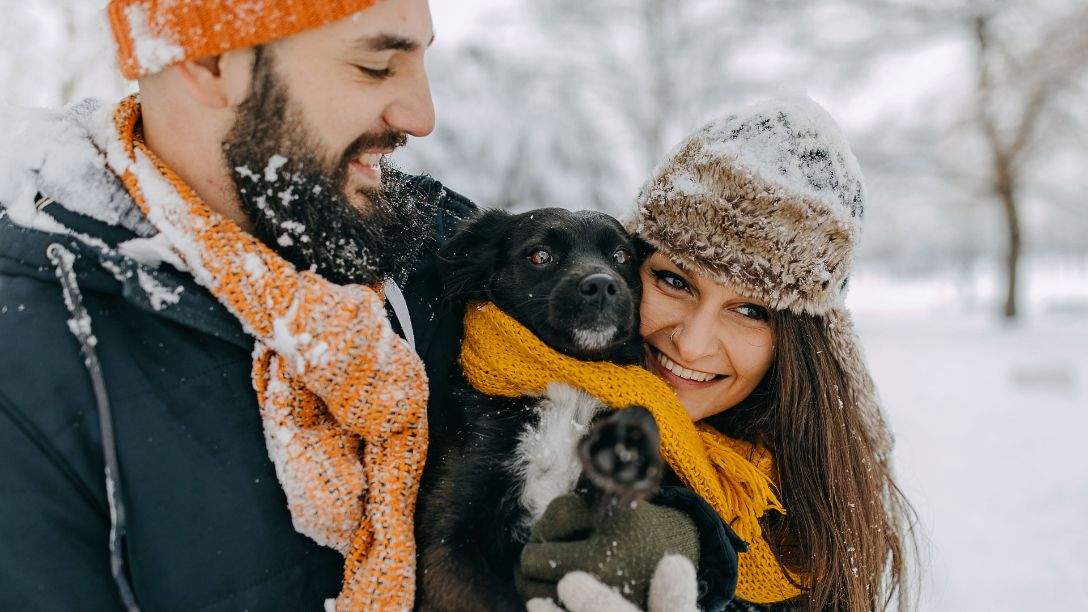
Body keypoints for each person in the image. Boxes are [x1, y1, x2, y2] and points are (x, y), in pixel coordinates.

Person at [0, 1, 467, 609]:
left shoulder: (440, 252)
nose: (422, 116)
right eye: (376, 66)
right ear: (210, 62)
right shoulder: (32, 383)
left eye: (421, 59)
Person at [516, 98, 916, 612]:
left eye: (749, 310)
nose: (692, 344)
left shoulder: (808, 515)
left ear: (800, 346)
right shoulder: (511, 386)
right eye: (673, 281)